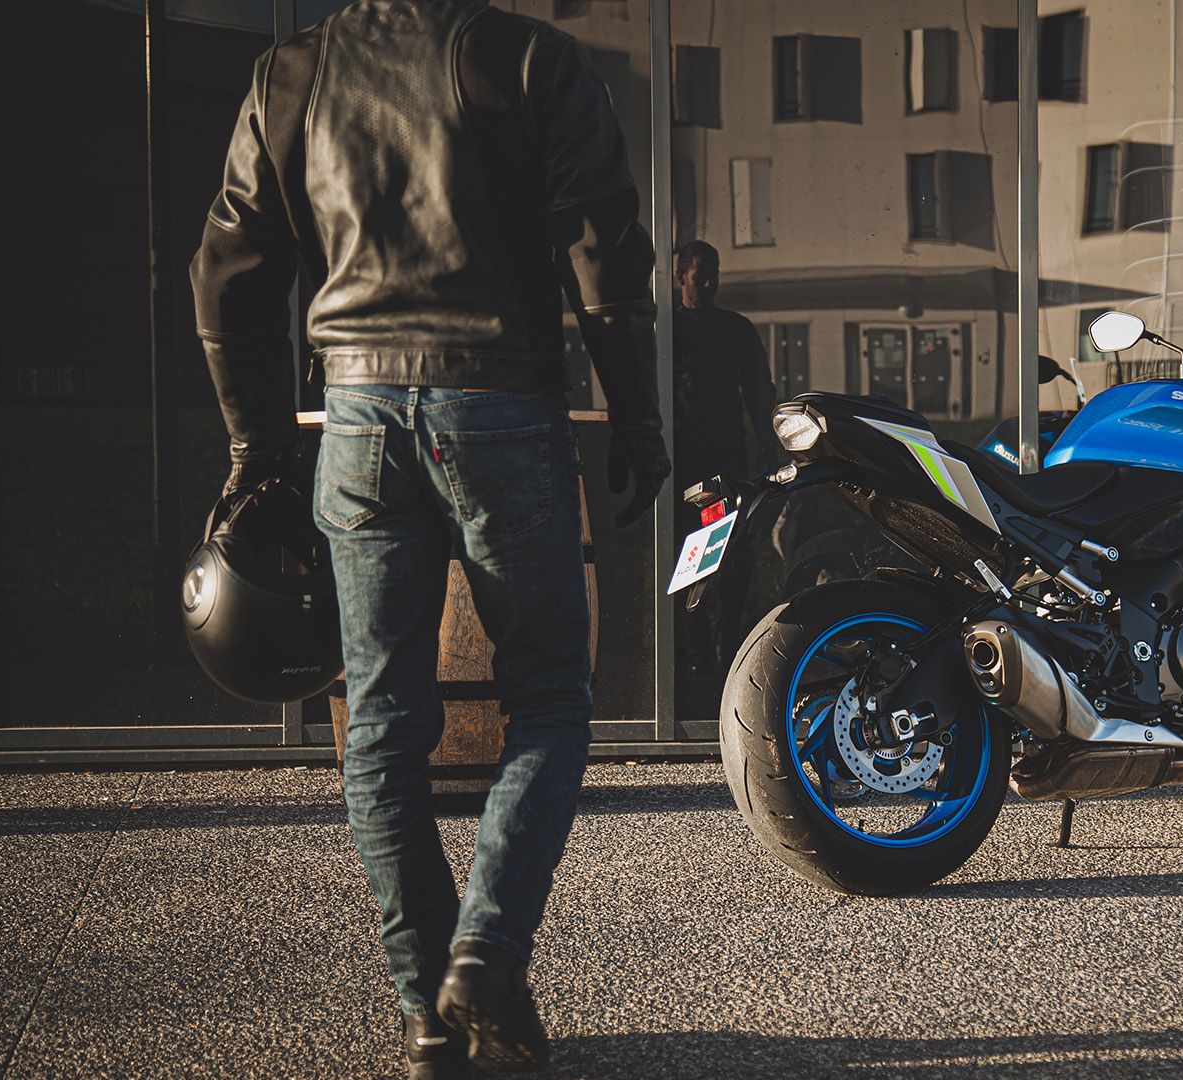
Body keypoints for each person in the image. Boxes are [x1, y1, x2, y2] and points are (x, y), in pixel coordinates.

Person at [189, 2, 667, 1076]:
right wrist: (638, 420)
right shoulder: (531, 57)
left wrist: (255, 447)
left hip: (357, 415)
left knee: (382, 728)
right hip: (501, 407)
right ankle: (485, 958)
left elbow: (225, 267)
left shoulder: (294, 71)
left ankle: (427, 1016)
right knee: (550, 699)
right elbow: (603, 252)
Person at [669, 241, 774, 714]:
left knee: (728, 552)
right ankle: (701, 646)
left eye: (712, 275)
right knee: (694, 552)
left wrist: (767, 448)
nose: (709, 284)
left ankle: (724, 642)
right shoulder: (672, 331)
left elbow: (759, 393)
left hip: (720, 461)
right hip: (691, 462)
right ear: (681, 276)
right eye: (700, 276)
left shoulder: (730, 330)